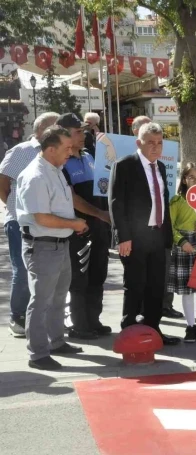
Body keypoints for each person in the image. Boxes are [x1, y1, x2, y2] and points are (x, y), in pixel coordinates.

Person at [16, 126, 88, 370]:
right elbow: (42, 218)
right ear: (50, 149)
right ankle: (38, 354)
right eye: (66, 148)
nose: (72, 151)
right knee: (41, 301)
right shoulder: (36, 175)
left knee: (58, 297)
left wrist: (72, 225)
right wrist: (74, 223)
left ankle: (56, 342)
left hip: (58, 243)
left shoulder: (55, 169)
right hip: (43, 246)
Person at [110, 122, 181, 345]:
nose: (155, 147)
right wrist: (123, 237)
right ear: (138, 142)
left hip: (158, 236)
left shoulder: (160, 167)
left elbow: (163, 202)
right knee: (135, 285)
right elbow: (116, 203)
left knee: (156, 286)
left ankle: (153, 330)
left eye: (159, 143)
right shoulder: (124, 166)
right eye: (150, 142)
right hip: (134, 238)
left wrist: (167, 237)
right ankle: (129, 330)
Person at [0, 112, 59, 337]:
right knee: (23, 271)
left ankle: (40, 318)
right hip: (20, 223)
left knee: (44, 273)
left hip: (48, 224)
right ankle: (18, 318)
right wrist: (15, 208)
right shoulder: (21, 151)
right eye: (56, 127)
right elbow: (2, 182)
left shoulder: (56, 153)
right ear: (43, 129)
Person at [58, 113, 113, 340]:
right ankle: (80, 325)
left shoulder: (90, 156)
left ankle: (94, 320)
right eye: (78, 131)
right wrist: (99, 213)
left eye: (83, 131)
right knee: (79, 279)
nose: (83, 135)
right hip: (80, 230)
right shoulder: (62, 163)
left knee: (98, 274)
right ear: (65, 134)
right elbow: (72, 198)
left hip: (101, 228)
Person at [168, 163, 196, 343]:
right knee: (187, 290)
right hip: (184, 245)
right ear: (184, 179)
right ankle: (190, 326)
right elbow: (170, 226)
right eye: (191, 177)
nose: (195, 180)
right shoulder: (177, 201)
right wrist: (181, 241)